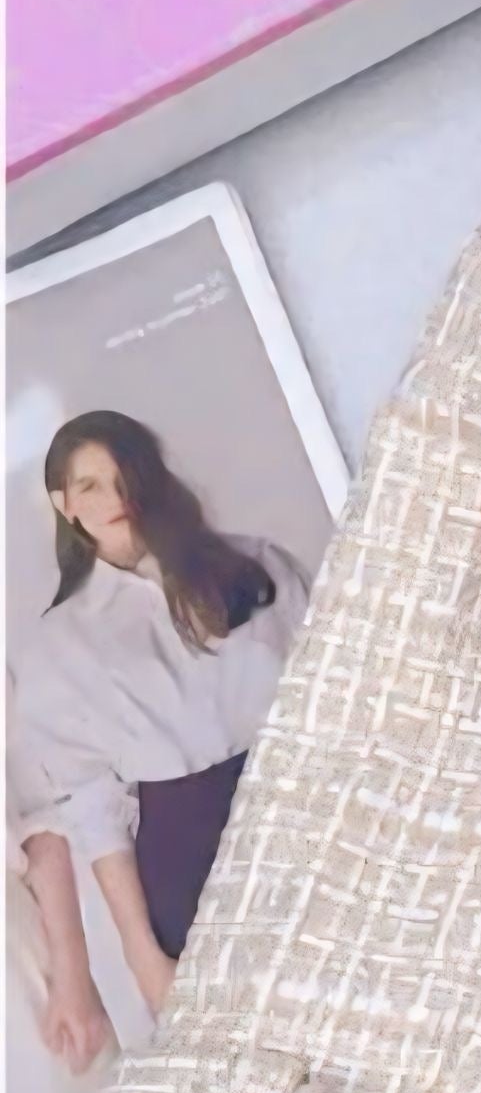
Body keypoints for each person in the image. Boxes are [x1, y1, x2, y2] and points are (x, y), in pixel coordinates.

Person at [12, 411, 305, 1031]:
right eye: (89, 485)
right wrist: (143, 957)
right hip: (187, 861)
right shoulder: (56, 648)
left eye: (126, 475)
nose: (114, 497)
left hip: (305, 813)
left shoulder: (258, 566)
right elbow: (93, 811)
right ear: (65, 506)